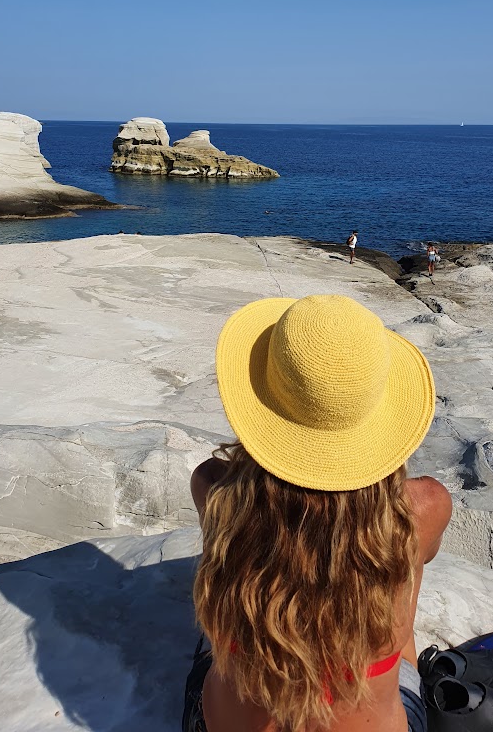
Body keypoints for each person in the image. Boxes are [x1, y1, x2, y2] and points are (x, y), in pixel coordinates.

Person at [184, 294, 452, 732]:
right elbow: (424, 556)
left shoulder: (215, 491)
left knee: (220, 634)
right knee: (397, 588)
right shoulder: (423, 508)